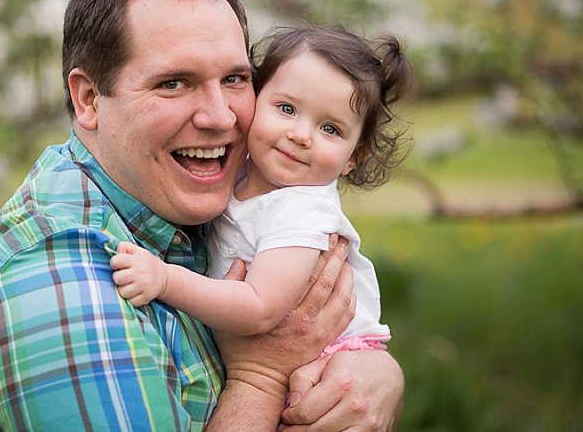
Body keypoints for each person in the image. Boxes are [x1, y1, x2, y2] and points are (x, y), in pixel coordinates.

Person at [0, 0, 404, 431]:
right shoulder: (65, 295)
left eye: (235, 79)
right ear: (89, 99)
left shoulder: (169, 207)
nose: (220, 117)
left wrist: (377, 373)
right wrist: (261, 375)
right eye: (174, 83)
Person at [110, 25, 414, 374]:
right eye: (286, 109)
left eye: (330, 129)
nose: (300, 135)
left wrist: (165, 279)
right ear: (255, 98)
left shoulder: (304, 211)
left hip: (323, 368)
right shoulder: (240, 169)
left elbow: (259, 307)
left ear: (354, 157)